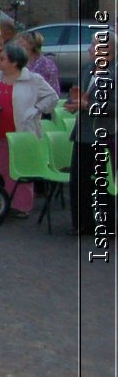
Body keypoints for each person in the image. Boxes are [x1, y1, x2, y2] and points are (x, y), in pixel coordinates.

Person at [0, 42, 60, 216]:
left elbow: (52, 97)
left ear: (14, 62)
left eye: (3, 59)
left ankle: (22, 206)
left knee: (22, 170)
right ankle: (4, 202)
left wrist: (36, 109)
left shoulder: (33, 79)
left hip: (22, 133)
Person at [66, 36, 113, 236]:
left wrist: (89, 106)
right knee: (78, 181)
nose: (89, 49)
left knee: (105, 183)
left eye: (94, 45)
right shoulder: (86, 69)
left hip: (106, 134)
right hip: (83, 134)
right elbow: (77, 93)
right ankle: (82, 224)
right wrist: (72, 103)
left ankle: (108, 225)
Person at [21, 31, 63, 98]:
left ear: (31, 45)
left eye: (21, 42)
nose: (18, 44)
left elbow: (54, 89)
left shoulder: (47, 64)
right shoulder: (20, 62)